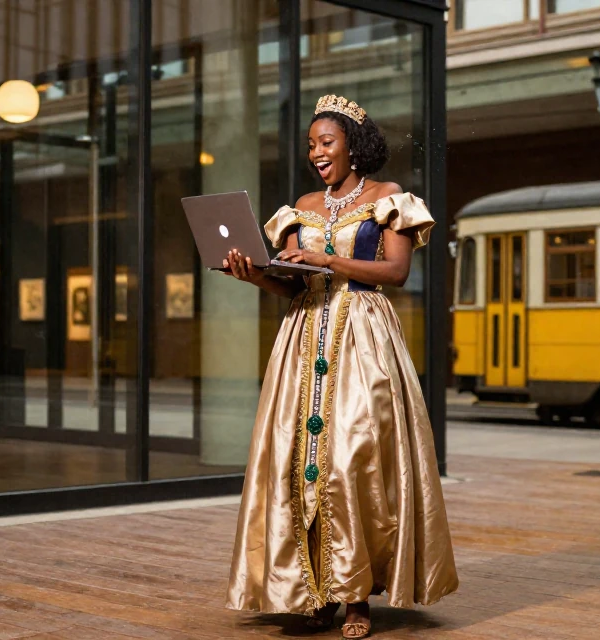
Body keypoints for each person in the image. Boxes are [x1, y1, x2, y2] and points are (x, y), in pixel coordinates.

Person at [224, 95, 458, 638]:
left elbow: (395, 272)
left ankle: (357, 598)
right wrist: (253, 274)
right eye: (311, 145)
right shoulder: (300, 205)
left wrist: (327, 259)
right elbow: (288, 283)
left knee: (354, 459)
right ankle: (314, 593)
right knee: (297, 459)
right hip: (304, 337)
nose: (317, 153)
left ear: (354, 145)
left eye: (326, 142)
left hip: (363, 335)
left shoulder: (388, 198)